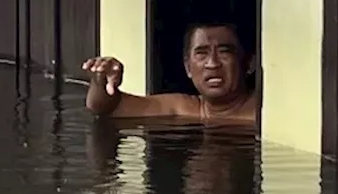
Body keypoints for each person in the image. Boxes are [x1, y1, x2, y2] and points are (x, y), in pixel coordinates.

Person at [83, 21, 258, 126]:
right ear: (188, 67)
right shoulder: (183, 109)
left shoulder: (263, 115)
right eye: (201, 53)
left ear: (249, 64)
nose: (212, 63)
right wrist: (101, 80)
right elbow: (106, 108)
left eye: (224, 52)